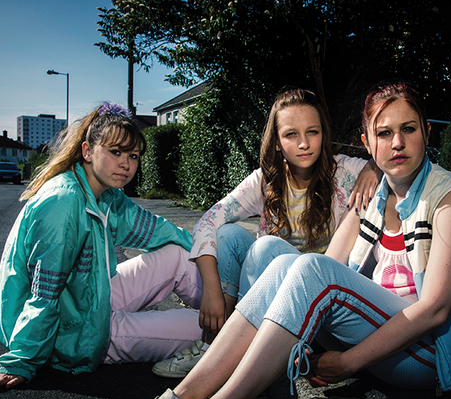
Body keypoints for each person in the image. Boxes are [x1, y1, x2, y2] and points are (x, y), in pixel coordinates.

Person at [100, 79, 451, 399]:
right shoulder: (374, 197)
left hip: (433, 355)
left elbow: (435, 311)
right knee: (282, 262)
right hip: (388, 338)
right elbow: (335, 262)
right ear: (368, 142)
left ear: (427, 133)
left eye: (408, 129)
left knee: (309, 267)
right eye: (384, 133)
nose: (397, 143)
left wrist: (348, 363)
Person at [0, 102, 204, 396]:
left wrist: (206, 249)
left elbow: (157, 230)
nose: (126, 164)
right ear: (87, 151)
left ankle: (238, 314)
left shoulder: (106, 195)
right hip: (72, 332)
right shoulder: (64, 202)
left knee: (177, 253)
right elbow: (44, 295)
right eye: (115, 152)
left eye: (133, 155)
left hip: (91, 299)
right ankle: (242, 334)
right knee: (204, 329)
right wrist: (21, 362)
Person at [151, 87, 379, 379]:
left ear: (324, 133)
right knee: (231, 236)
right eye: (291, 135)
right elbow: (209, 220)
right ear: (277, 142)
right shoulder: (266, 180)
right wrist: (210, 288)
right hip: (273, 296)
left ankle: (227, 357)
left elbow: (398, 165)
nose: (304, 144)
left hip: (322, 295)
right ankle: (216, 346)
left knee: (266, 248)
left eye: (313, 132)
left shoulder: (347, 172)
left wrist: (373, 167)